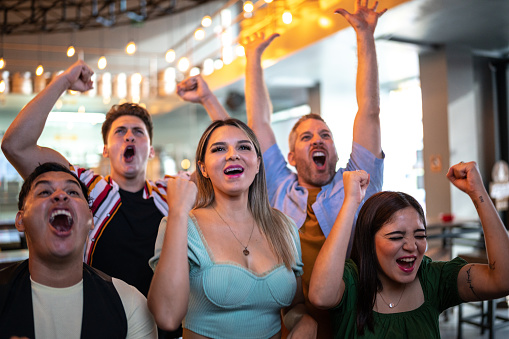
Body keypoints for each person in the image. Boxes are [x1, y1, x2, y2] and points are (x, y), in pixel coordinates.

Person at [0, 60, 208, 338]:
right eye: (120, 132)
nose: (129, 137)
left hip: (169, 328)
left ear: (151, 150)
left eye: (138, 132)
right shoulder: (85, 190)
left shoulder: (172, 193)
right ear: (106, 150)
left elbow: (225, 161)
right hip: (101, 323)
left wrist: (207, 99)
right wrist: (63, 81)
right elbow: (16, 145)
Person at [147, 118, 317, 338]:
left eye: (243, 147)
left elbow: (294, 307)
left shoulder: (285, 227)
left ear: (257, 163)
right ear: (203, 168)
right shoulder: (181, 225)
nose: (232, 154)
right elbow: (166, 316)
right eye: (219, 149)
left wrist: (305, 320)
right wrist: (178, 213)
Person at [309, 162, 509, 338]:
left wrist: (478, 193)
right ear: (369, 241)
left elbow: (503, 280)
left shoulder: (433, 279)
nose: (412, 246)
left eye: (420, 235)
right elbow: (320, 296)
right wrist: (351, 202)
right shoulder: (352, 282)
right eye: (396, 237)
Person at [0, 162, 157, 339]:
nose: (60, 195)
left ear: (91, 219)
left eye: (72, 192)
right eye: (44, 192)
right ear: (20, 220)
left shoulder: (130, 304)